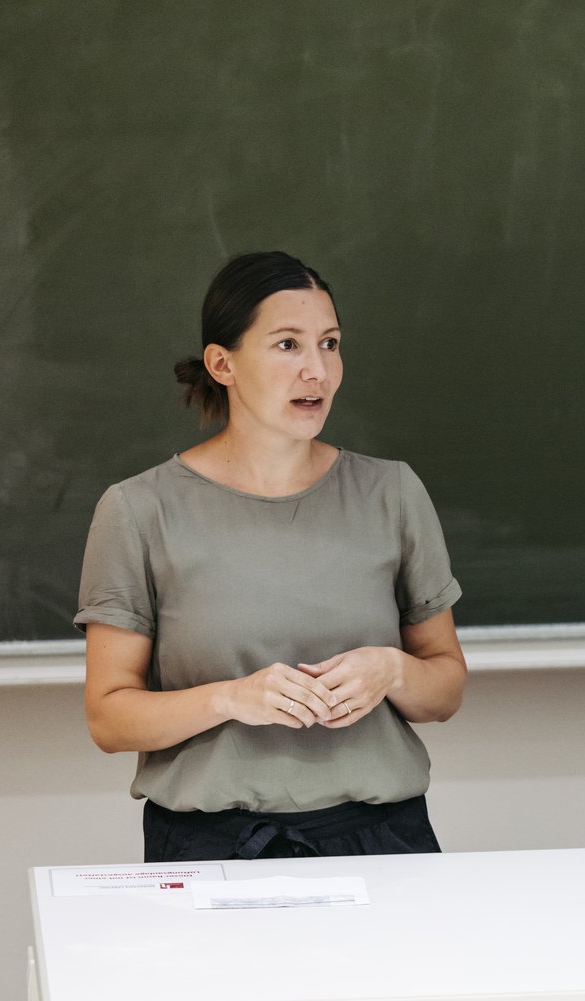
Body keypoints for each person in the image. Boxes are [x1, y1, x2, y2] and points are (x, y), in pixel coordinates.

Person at [75, 251, 466, 863]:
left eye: (330, 344)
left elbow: (444, 690)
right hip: (211, 848)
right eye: (288, 345)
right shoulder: (138, 510)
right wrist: (232, 698)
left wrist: (391, 670)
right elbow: (109, 718)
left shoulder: (392, 493)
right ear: (222, 363)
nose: (318, 370)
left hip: (385, 841)